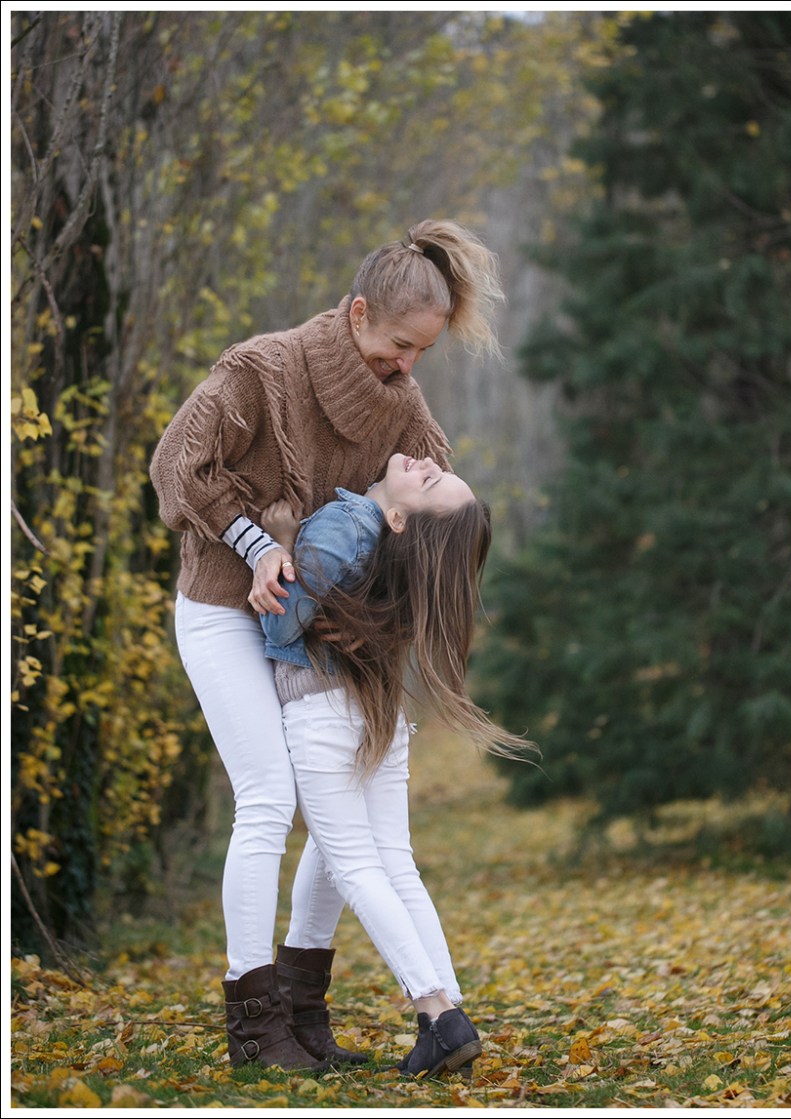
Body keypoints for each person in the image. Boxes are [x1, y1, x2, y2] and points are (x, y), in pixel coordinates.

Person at [149, 220, 504, 1071]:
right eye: (397, 345)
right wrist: (259, 545)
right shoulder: (260, 372)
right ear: (356, 315)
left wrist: (361, 611)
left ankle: (307, 1012)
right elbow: (176, 466)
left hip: (321, 627)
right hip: (226, 608)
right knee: (269, 799)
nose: (407, 367)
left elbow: (427, 523)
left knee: (342, 810)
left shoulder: (404, 408)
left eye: (422, 352)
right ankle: (256, 1020)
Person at [258, 453, 532, 1079]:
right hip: (369, 706)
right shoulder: (384, 546)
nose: (427, 461)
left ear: (405, 520)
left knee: (355, 863)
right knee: (392, 862)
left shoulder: (342, 525)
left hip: (322, 711)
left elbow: (282, 627)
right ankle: (449, 1014)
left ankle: (436, 1012)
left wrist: (280, 543)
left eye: (432, 480)